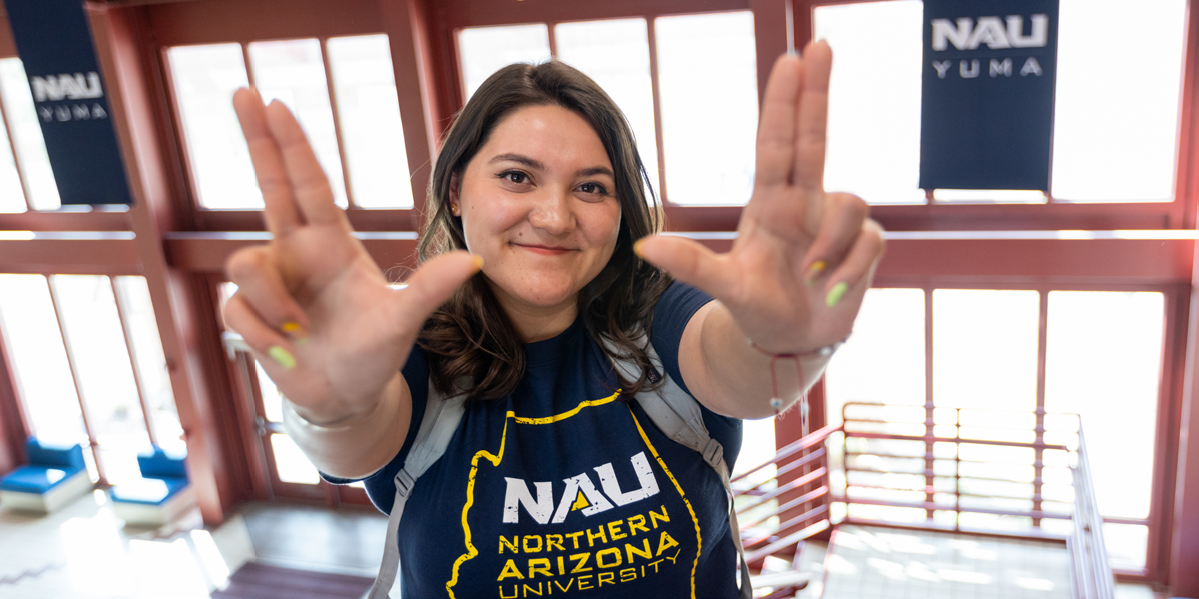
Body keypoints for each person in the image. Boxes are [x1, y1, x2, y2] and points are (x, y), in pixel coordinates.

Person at [223, 40, 883, 599]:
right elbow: (354, 436)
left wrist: (780, 342)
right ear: (455, 190)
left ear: (621, 208)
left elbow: (736, 369)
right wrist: (331, 406)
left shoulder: (656, 311)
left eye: (591, 186)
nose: (554, 215)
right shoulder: (407, 341)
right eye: (516, 177)